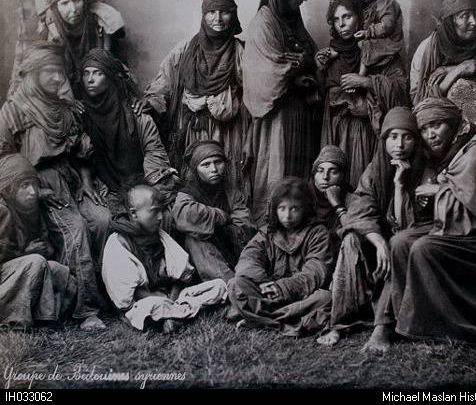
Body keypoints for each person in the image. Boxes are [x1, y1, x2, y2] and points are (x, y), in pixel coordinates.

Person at [363, 98, 476, 352]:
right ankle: (403, 325)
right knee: (401, 242)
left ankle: (440, 330)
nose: (431, 134)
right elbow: (436, 215)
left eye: (438, 125)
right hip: (464, 230)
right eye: (424, 129)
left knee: (425, 247)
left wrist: (439, 191)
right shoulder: (448, 156)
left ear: (454, 125)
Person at [0, 42, 108, 330]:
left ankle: (107, 296)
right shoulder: (13, 111)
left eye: (60, 71)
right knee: (76, 229)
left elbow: (83, 152)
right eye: (50, 71)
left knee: (102, 219)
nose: (58, 78)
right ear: (33, 73)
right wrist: (34, 191)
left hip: (71, 180)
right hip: (35, 187)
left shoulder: (66, 109)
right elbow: (4, 160)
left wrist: (86, 184)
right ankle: (84, 311)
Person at [318, 108, 427, 346]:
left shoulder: (424, 171)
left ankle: (383, 327)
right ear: (384, 140)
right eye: (393, 137)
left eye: (407, 137)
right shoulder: (374, 170)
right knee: (351, 240)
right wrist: (377, 242)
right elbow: (360, 210)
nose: (399, 144)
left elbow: (406, 226)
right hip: (382, 242)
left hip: (408, 244)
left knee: (397, 246)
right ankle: (340, 321)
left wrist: (399, 186)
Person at [144, 0, 250, 185]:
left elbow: (253, 92)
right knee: (195, 178)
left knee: (228, 177)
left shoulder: (240, 52)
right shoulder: (186, 49)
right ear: (203, 15)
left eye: (224, 12)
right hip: (194, 127)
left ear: (233, 15)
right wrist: (152, 101)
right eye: (211, 12)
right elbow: (164, 81)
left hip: (229, 129)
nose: (217, 18)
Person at [242, 0, 320, 224]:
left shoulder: (290, 19)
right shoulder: (263, 24)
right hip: (277, 116)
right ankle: (271, 229)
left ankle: (299, 228)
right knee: (277, 170)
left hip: (298, 113)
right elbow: (265, 71)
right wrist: (298, 67)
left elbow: (310, 52)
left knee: (298, 171)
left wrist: (301, 62)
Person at [102, 184, 227, 333]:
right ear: (134, 214)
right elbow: (127, 296)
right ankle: (182, 314)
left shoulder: (159, 235)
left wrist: (173, 299)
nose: (161, 217)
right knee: (153, 307)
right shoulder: (118, 243)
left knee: (219, 285)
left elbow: (179, 276)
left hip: (173, 298)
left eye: (161, 211)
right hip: (143, 303)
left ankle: (174, 317)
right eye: (154, 211)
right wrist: (164, 300)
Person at [317, 0, 410, 187]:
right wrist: (319, 70)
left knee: (365, 183)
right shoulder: (330, 54)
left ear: (360, 17)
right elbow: (320, 96)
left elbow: (401, 89)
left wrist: (366, 82)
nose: (341, 24)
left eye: (347, 17)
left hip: (369, 133)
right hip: (337, 131)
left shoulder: (382, 50)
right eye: (336, 19)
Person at [79, 48, 177, 220]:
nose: (90, 80)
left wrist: (147, 189)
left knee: (162, 215)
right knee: (105, 221)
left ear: (109, 78)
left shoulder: (136, 113)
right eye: (86, 74)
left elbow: (153, 151)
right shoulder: (80, 114)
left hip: (141, 182)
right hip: (103, 187)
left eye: (97, 73)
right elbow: (81, 157)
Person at [227, 178, 332, 335]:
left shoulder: (318, 232)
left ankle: (260, 320)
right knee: (236, 284)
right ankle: (285, 320)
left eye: (294, 209)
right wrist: (263, 283)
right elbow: (249, 258)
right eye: (282, 209)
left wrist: (283, 287)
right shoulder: (268, 232)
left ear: (305, 208)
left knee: (326, 298)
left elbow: (316, 271)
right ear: (274, 209)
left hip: (302, 295)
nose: (287, 216)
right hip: (268, 293)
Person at [0, 153, 76, 330]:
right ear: (9, 189)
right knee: (36, 262)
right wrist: (26, 253)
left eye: (34, 184)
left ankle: (44, 320)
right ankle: (15, 322)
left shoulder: (30, 209)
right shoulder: (2, 210)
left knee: (61, 272)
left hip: (14, 274)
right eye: (24, 186)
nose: (33, 192)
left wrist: (44, 249)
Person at [172, 141, 256, 282]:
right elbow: (184, 215)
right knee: (194, 238)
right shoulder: (188, 193)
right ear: (196, 169)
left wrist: (221, 229)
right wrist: (220, 216)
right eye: (206, 165)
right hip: (201, 259)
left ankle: (245, 277)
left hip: (230, 248)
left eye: (218, 162)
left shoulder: (231, 192)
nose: (214, 169)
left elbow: (245, 224)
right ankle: (229, 283)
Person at [42, 0, 124, 98]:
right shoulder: (52, 32)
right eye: (64, 3)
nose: (73, 9)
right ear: (55, 8)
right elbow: (53, 75)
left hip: (100, 86)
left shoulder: (99, 22)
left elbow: (110, 63)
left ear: (84, 1)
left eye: (76, 0)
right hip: (67, 90)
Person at [410, 0, 476, 105]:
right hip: (438, 114)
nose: (474, 22)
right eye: (465, 16)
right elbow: (418, 100)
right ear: (450, 22)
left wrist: (449, 69)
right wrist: (457, 71)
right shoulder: (427, 49)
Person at [344, 0, 407, 87]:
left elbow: (387, 26)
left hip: (389, 42)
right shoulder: (367, 5)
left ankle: (362, 74)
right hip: (377, 41)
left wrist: (368, 32)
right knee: (359, 45)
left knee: (364, 45)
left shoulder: (385, 2)